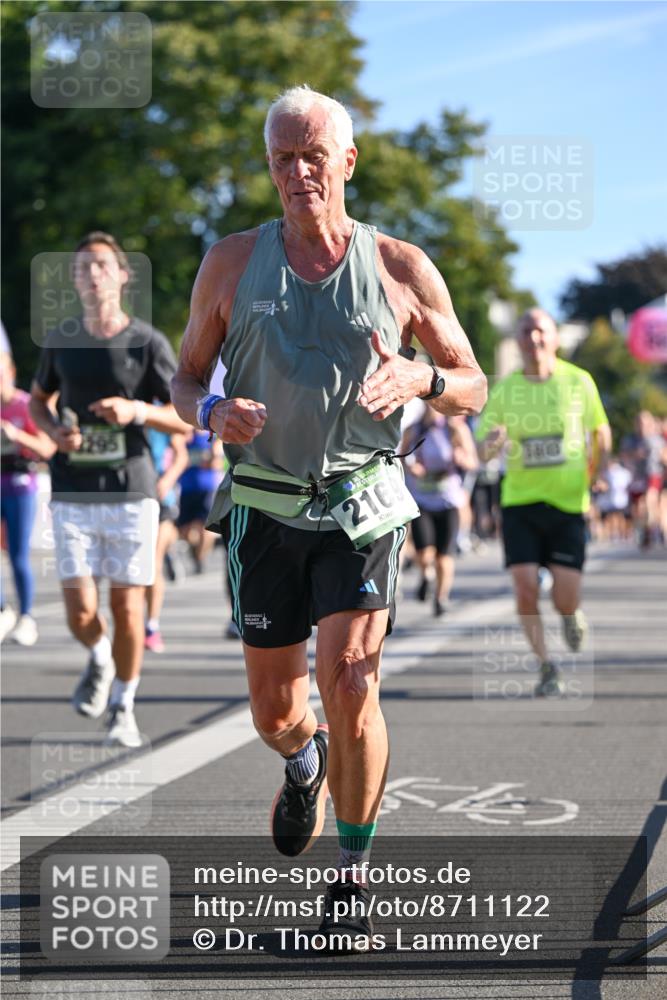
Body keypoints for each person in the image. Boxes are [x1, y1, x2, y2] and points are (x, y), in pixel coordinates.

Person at [171, 85, 486, 946]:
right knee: (275, 712)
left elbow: (472, 386)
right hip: (264, 508)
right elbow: (185, 377)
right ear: (269, 166)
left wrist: (421, 378)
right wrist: (210, 412)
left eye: (314, 155)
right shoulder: (231, 263)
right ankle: (301, 759)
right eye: (283, 158)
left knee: (351, 682)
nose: (299, 172)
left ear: (348, 161)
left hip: (361, 504)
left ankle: (351, 874)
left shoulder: (400, 267)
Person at [30, 231, 187, 746]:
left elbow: (185, 417)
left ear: (122, 275)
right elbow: (38, 402)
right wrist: (54, 434)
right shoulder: (61, 339)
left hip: (131, 491)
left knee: (127, 607)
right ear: (74, 281)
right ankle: (99, 656)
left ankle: (123, 704)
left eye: (101, 265)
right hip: (72, 489)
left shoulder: (147, 342)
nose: (92, 274)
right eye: (82, 268)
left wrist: (136, 410)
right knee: (80, 611)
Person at [476, 308, 611, 697]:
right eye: (525, 331)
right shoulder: (506, 389)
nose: (533, 338)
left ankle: (570, 615)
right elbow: (482, 450)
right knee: (525, 588)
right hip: (520, 502)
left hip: (568, 504)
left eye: (540, 330)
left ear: (554, 338)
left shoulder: (578, 381)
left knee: (564, 597)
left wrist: (598, 471)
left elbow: (600, 431)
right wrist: (492, 443)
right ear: (518, 341)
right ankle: (546, 666)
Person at [1, 351, 56, 644]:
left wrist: (15, 435)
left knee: (17, 554)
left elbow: (47, 448)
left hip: (20, 484)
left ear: (10, 373)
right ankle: (3, 610)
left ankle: (26, 617)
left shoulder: (24, 405)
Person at [402, 408, 478, 616]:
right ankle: (426, 575)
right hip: (422, 500)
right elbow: (400, 458)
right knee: (424, 553)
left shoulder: (456, 430)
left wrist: (462, 459)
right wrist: (410, 468)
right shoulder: (414, 430)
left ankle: (441, 598)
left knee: (444, 557)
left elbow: (473, 462)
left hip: (449, 501)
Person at [144, 424, 189, 652]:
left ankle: (151, 626)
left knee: (152, 562)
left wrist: (167, 480)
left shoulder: (159, 413)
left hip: (161, 498)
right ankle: (171, 546)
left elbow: (182, 456)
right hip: (129, 494)